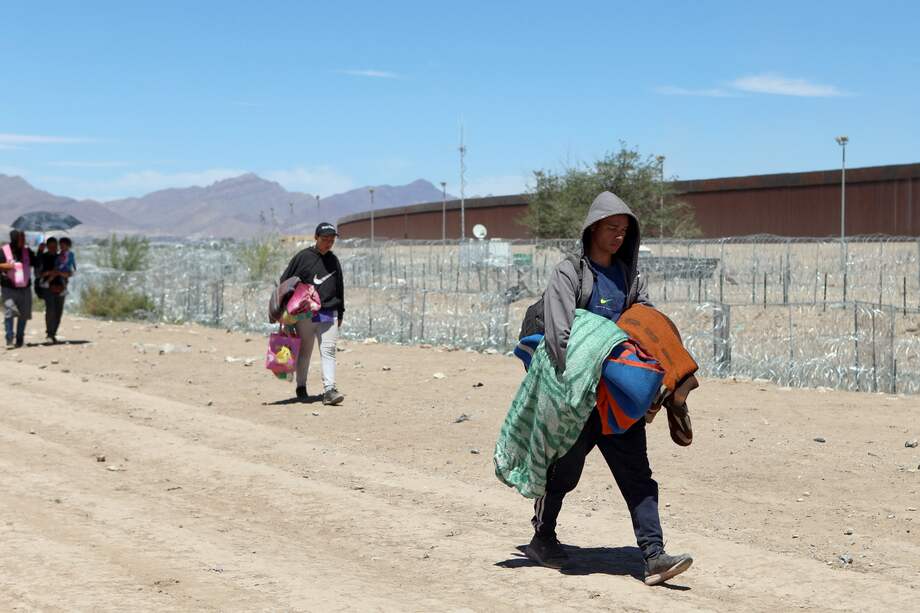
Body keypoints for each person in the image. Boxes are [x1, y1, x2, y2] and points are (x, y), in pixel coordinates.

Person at [526, 191, 693, 586]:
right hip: (579, 396)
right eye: (611, 228)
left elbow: (646, 327)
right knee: (563, 472)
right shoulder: (570, 273)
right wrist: (572, 383)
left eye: (624, 230)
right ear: (592, 229)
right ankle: (543, 537)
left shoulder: (630, 277)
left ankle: (654, 555)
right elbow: (559, 336)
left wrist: (653, 380)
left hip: (618, 397)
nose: (619, 235)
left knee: (638, 476)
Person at [279, 222, 345, 405]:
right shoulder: (303, 257)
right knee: (305, 351)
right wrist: (286, 312)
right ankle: (301, 386)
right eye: (325, 239)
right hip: (305, 315)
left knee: (329, 350)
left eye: (332, 240)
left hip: (328, 312)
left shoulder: (334, 260)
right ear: (316, 238)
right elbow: (285, 281)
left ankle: (330, 390)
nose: (329, 243)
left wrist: (340, 312)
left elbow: (340, 287)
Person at [1, 230, 37, 349]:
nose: (24, 240)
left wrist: (41, 252)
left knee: (24, 314)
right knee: (9, 313)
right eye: (21, 238)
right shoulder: (4, 250)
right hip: (8, 288)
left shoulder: (27, 251)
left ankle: (20, 339)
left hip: (25, 288)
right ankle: (9, 339)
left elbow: (35, 262)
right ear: (15, 239)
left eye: (24, 238)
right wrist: (9, 266)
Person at [36, 236, 74, 343]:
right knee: (50, 309)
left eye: (54, 246)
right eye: (50, 246)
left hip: (61, 286)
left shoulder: (62, 257)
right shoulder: (42, 257)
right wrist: (48, 273)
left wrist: (60, 273)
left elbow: (70, 272)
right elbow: (38, 273)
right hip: (47, 288)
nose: (53, 249)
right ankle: (49, 333)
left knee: (58, 311)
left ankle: (53, 333)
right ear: (47, 247)